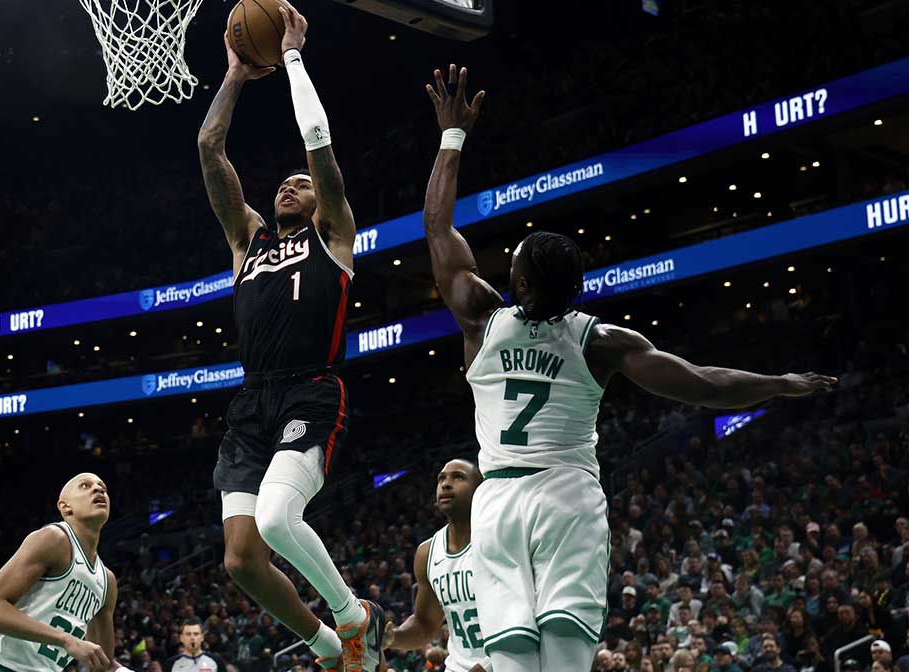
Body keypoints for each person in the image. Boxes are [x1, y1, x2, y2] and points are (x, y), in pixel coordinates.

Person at [417, 63, 836, 671]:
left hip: (499, 503)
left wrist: (451, 136)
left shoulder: (481, 318)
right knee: (565, 653)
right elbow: (703, 383)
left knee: (511, 657)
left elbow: (437, 227)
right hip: (565, 495)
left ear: (523, 280)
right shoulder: (600, 340)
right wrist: (781, 384)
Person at [196, 4, 378, 672]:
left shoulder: (333, 235)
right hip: (252, 403)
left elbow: (318, 143)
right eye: (283, 182)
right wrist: (236, 75)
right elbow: (209, 150)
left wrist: (294, 57)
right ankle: (330, 648)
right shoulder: (246, 241)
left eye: (300, 182)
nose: (289, 183)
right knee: (242, 558)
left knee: (276, 522)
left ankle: (353, 615)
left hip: (310, 390)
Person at [0, 473, 123, 672]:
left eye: (103, 487)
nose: (98, 489)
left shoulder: (107, 581)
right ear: (65, 506)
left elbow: (103, 664)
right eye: (85, 486)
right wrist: (66, 640)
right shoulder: (54, 539)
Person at [384, 459, 490, 672]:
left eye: (458, 477)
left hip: (510, 663)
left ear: (481, 491)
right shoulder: (427, 553)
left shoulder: (499, 539)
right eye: (441, 478)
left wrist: (489, 665)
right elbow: (425, 625)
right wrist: (393, 638)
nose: (446, 484)